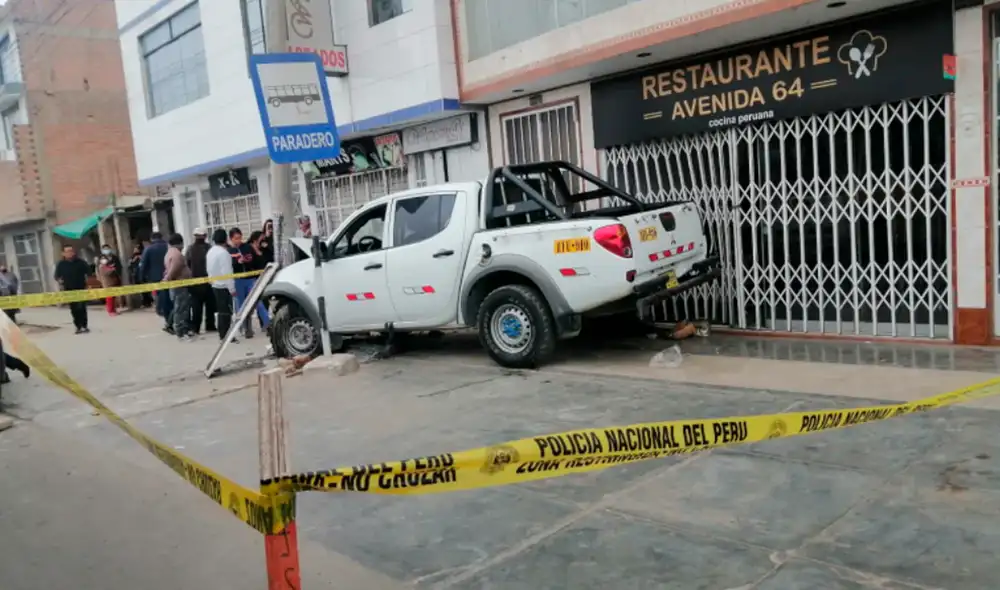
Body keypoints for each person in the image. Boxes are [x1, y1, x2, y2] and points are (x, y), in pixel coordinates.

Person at [228, 227, 269, 338]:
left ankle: (268, 324)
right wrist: (237, 262)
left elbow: (256, 261)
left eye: (240, 238)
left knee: (258, 303)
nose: (238, 240)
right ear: (231, 239)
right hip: (238, 280)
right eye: (236, 238)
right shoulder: (229, 251)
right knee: (241, 307)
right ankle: (245, 329)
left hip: (250, 279)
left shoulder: (247, 247)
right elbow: (228, 266)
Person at [207, 229, 237, 341]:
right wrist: (232, 288)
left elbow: (208, 268)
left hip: (215, 285)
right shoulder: (224, 253)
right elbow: (227, 272)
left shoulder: (211, 251)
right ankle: (226, 334)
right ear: (225, 239)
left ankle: (222, 333)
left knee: (221, 311)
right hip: (224, 286)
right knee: (227, 312)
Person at [185, 227, 216, 335]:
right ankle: (209, 325)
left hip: (196, 282)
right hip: (207, 281)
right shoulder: (209, 248)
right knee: (207, 306)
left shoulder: (190, 249)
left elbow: (187, 264)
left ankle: (196, 327)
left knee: (198, 306)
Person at [54, 245, 91, 334]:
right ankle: (77, 326)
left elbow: (89, 272)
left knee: (82, 307)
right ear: (63, 253)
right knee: (74, 308)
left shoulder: (80, 262)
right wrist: (60, 281)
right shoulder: (61, 264)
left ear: (74, 252)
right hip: (69, 289)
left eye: (71, 251)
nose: (69, 253)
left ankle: (84, 325)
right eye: (67, 251)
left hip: (81, 288)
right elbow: (57, 276)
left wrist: (88, 280)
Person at [163, 233, 193, 341]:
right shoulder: (176, 254)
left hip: (177, 284)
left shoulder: (169, 252)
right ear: (179, 243)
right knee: (181, 308)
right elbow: (174, 269)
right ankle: (180, 332)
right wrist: (168, 278)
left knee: (179, 307)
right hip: (179, 284)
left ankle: (181, 329)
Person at [140, 232, 172, 333]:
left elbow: (143, 265)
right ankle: (170, 320)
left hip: (156, 278)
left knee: (162, 299)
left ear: (151, 239)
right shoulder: (168, 247)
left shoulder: (148, 249)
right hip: (170, 276)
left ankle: (167, 320)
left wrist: (141, 278)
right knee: (170, 299)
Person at [97, 244, 123, 316]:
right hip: (107, 279)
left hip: (115, 278)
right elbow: (103, 269)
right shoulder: (102, 258)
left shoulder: (114, 257)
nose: (106, 250)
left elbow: (118, 266)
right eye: (105, 249)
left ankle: (114, 309)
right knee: (109, 296)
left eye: (107, 248)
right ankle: (110, 311)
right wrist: (112, 268)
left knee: (113, 295)